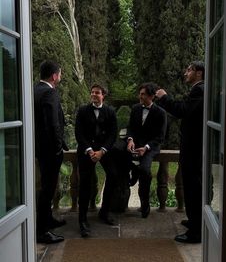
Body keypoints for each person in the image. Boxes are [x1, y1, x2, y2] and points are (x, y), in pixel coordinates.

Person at [156, 60, 204, 243]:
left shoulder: (199, 90)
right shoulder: (198, 89)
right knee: (192, 187)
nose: (185, 72)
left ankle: (195, 233)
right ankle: (195, 222)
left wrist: (164, 97)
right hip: (194, 148)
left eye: (189, 69)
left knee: (193, 189)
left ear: (198, 73)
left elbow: (182, 110)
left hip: (194, 149)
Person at [75, 84, 118, 237]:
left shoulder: (110, 111)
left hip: (104, 151)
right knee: (85, 183)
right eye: (92, 92)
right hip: (86, 151)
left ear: (103, 95)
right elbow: (78, 133)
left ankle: (104, 212)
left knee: (113, 175)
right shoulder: (82, 111)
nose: (93, 94)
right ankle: (82, 219)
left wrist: (102, 151)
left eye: (97, 92)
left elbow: (113, 134)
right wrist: (89, 150)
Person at [34, 60, 68, 244]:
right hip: (49, 152)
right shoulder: (50, 92)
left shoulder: (34, 89)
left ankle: (48, 219)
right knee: (47, 190)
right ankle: (42, 231)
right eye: (60, 74)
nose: (60, 77)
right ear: (54, 76)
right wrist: (57, 149)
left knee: (46, 188)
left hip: (39, 149)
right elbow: (53, 124)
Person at [126, 82, 167, 218]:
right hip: (135, 145)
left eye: (143, 94)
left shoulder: (160, 113)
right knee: (120, 160)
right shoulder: (136, 108)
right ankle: (132, 176)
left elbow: (160, 137)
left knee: (144, 170)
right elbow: (130, 127)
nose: (140, 96)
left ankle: (145, 203)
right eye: (140, 93)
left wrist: (146, 147)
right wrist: (130, 139)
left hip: (151, 147)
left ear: (151, 96)